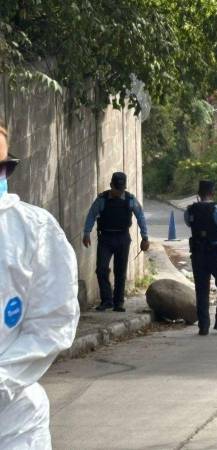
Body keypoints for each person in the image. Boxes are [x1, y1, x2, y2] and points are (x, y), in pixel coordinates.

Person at [0, 124, 80, 449]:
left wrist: (3, 381)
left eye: (4, 166)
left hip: (13, 423)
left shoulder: (33, 230)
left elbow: (52, 322)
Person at [83, 172, 150, 312]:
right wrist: (86, 233)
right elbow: (91, 214)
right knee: (101, 269)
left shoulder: (130, 200)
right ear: (111, 185)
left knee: (120, 271)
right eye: (116, 189)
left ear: (124, 187)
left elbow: (140, 217)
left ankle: (118, 302)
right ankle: (107, 300)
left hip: (122, 238)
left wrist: (145, 237)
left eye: (121, 189)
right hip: (105, 238)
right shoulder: (102, 199)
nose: (119, 192)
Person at [185, 181, 217, 335]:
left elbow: (189, 223)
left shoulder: (190, 210)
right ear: (213, 193)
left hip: (198, 255)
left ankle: (203, 326)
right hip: (216, 254)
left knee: (201, 289)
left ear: (198, 194)